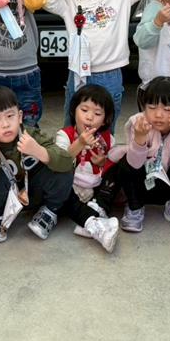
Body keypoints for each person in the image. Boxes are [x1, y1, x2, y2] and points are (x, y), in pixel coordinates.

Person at [44, 0, 155, 129]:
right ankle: (72, 149)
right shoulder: (71, 2)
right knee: (73, 124)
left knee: (105, 126)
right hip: (78, 74)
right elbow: (45, 0)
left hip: (110, 74)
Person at [0, 87, 85, 245]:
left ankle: (49, 211)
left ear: (19, 117)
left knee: (60, 165)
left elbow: (66, 162)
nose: (5, 124)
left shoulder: (31, 134)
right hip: (4, 198)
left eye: (10, 116)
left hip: (34, 193)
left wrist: (38, 150)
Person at [116, 77, 170, 235]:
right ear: (143, 106)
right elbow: (134, 164)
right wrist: (140, 138)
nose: (158, 114)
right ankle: (135, 207)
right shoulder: (138, 123)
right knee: (125, 163)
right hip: (144, 184)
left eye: (167, 109)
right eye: (151, 107)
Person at [54, 84, 122, 241]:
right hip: (71, 189)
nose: (90, 117)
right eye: (84, 110)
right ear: (74, 111)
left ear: (105, 120)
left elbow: (108, 170)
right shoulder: (64, 135)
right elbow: (59, 162)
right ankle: (91, 220)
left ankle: (99, 209)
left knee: (118, 167)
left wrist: (103, 163)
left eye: (97, 113)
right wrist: (79, 143)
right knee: (55, 178)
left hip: (94, 191)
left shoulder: (107, 139)